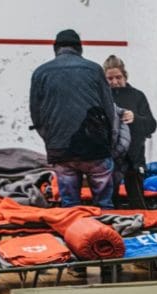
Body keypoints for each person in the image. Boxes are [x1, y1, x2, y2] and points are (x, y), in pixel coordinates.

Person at [29, 29, 118, 208]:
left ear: (55, 48)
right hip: (95, 147)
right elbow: (109, 111)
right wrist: (108, 142)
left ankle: (74, 223)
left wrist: (51, 140)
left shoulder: (40, 73)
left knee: (70, 208)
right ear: (80, 48)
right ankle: (105, 223)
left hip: (60, 149)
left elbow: (36, 115)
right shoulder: (94, 70)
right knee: (104, 205)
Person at [102, 55, 157, 208]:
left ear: (125, 76)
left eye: (118, 77)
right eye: (110, 78)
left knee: (138, 202)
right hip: (109, 159)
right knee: (109, 204)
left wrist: (135, 118)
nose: (114, 82)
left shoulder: (137, 96)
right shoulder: (101, 97)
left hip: (134, 158)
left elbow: (152, 125)